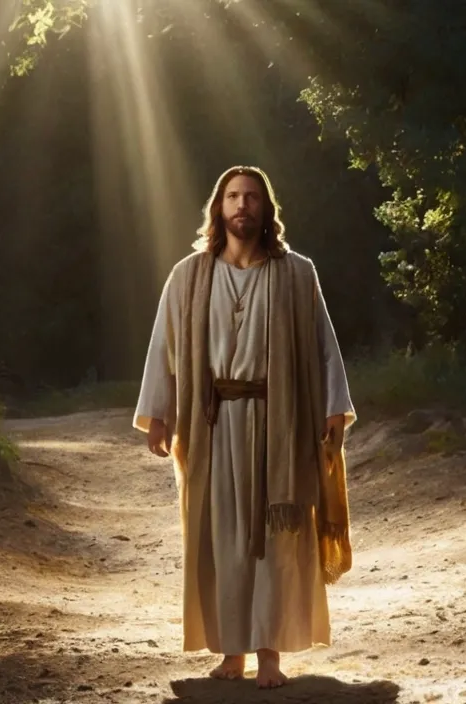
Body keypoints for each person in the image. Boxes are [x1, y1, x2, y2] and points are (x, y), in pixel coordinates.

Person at [133, 165, 356, 689]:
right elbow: (163, 347)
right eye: (233, 196)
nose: (242, 205)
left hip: (281, 423)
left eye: (252, 197)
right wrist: (159, 415)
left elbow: (324, 347)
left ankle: (270, 653)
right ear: (218, 207)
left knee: (278, 541)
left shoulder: (298, 274)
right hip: (212, 425)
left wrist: (332, 409)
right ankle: (233, 652)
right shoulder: (188, 275)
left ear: (265, 208)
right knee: (223, 540)